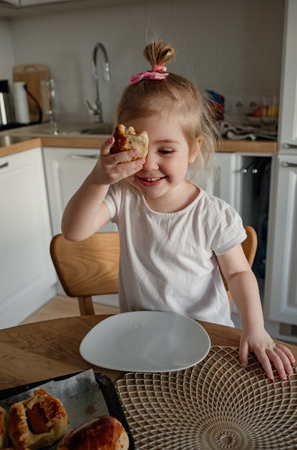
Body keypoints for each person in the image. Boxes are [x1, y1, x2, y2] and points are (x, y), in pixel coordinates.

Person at [62, 41, 295, 381]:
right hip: (141, 340)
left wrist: (255, 328)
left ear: (193, 150)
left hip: (207, 343)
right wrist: (98, 178)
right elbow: (74, 231)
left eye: (166, 150)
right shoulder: (123, 196)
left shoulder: (213, 214)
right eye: (138, 148)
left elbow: (240, 275)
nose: (149, 164)